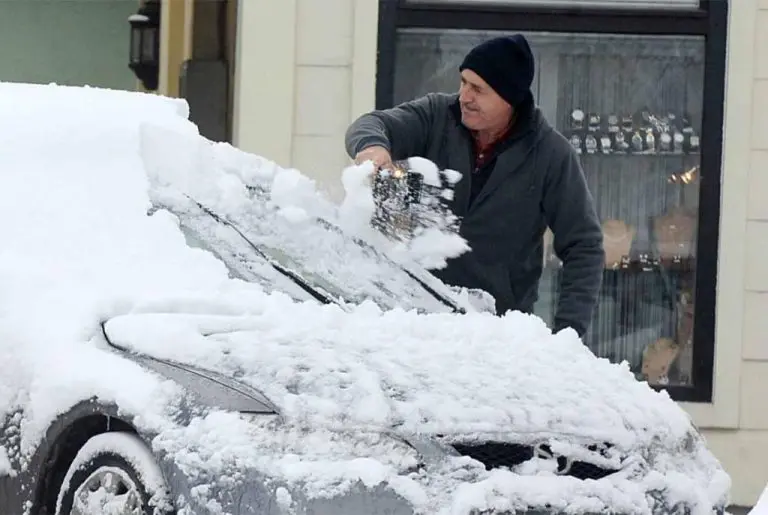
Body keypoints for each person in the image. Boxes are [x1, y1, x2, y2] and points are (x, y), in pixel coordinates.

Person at [344, 34, 604, 337]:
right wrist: (373, 148)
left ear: (510, 98)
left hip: (496, 333)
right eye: (464, 83)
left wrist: (568, 334)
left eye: (478, 89)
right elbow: (370, 125)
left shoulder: (550, 155)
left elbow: (584, 246)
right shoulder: (435, 117)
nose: (465, 96)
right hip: (411, 323)